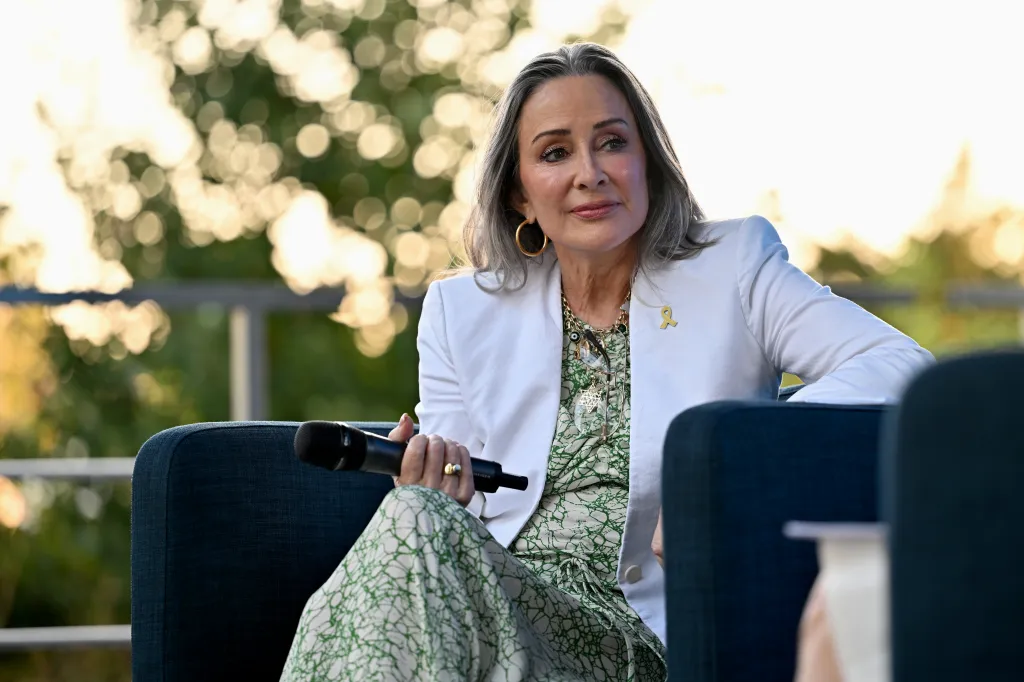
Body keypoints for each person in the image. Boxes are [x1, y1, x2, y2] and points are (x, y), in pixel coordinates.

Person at [279, 42, 933, 681]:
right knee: (413, 516)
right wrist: (433, 486)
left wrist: (726, 467)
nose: (589, 171)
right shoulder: (461, 311)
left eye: (613, 142)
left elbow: (901, 366)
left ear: (646, 160)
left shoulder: (734, 265)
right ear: (520, 196)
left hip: (645, 623)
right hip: (497, 603)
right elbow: (458, 505)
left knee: (413, 532)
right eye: (555, 152)